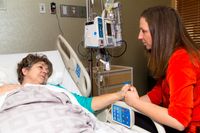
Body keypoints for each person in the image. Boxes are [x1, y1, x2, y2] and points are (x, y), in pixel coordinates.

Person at [123, 6, 200, 133]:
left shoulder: (181, 60)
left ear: (160, 32)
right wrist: (126, 101)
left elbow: (179, 120)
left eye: (144, 31)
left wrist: (135, 103)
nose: (139, 36)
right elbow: (158, 93)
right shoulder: (171, 56)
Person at [0, 53, 130, 113]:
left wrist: (119, 95)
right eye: (40, 67)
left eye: (47, 71)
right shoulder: (9, 89)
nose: (45, 72)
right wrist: (12, 89)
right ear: (25, 71)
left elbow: (88, 104)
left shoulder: (55, 89)